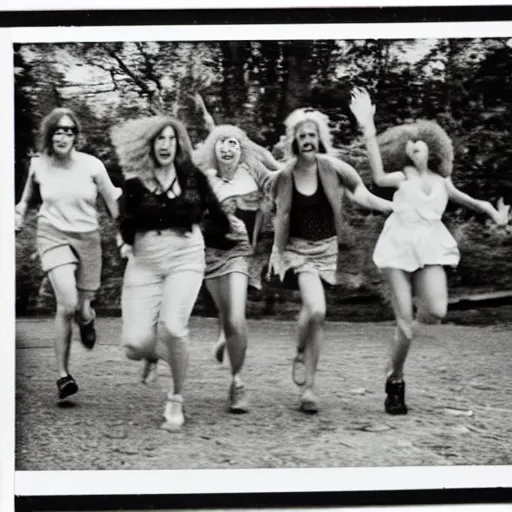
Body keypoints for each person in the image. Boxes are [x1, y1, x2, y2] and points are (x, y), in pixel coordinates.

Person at [349, 88, 510, 415]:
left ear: (432, 147)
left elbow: (473, 201)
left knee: (435, 312)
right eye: (408, 143)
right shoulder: (400, 176)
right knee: (405, 325)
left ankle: (400, 341)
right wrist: (368, 127)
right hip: (397, 244)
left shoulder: (442, 180)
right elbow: (377, 176)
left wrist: (496, 214)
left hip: (430, 245)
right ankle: (395, 380)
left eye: (419, 140)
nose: (413, 144)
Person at [267, 107, 394, 414]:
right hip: (297, 251)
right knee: (318, 309)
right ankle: (299, 352)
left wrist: (395, 207)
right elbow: (278, 214)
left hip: (326, 250)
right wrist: (275, 250)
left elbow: (362, 196)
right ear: (294, 140)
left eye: (312, 135)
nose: (307, 140)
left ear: (319, 138)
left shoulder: (335, 168)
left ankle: (309, 387)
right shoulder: (285, 174)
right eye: (302, 136)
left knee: (314, 314)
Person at [111, 115, 233, 431]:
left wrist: (197, 230)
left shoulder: (194, 178)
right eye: (159, 139)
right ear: (148, 145)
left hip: (185, 258)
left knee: (173, 329)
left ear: (179, 143)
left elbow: (219, 219)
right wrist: (124, 243)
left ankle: (176, 397)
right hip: (145, 261)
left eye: (171, 138)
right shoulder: (134, 183)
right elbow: (124, 222)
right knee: (134, 346)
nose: (166, 144)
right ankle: (161, 356)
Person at [14, 107, 120, 400]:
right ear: (50, 134)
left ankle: (87, 319)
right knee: (66, 303)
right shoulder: (38, 165)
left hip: (87, 238)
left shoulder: (92, 165)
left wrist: (126, 232)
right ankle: (63, 376)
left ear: (76, 136)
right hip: (52, 235)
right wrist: (18, 214)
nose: (63, 136)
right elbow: (25, 200)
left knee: (82, 308)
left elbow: (113, 202)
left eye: (69, 131)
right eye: (58, 131)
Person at [194, 124, 278, 413]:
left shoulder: (254, 176)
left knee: (237, 317)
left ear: (241, 150)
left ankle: (237, 382)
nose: (226, 147)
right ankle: (224, 334)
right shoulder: (203, 179)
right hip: (209, 255)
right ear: (212, 149)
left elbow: (282, 181)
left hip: (240, 253)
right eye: (220, 142)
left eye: (233, 143)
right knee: (227, 315)